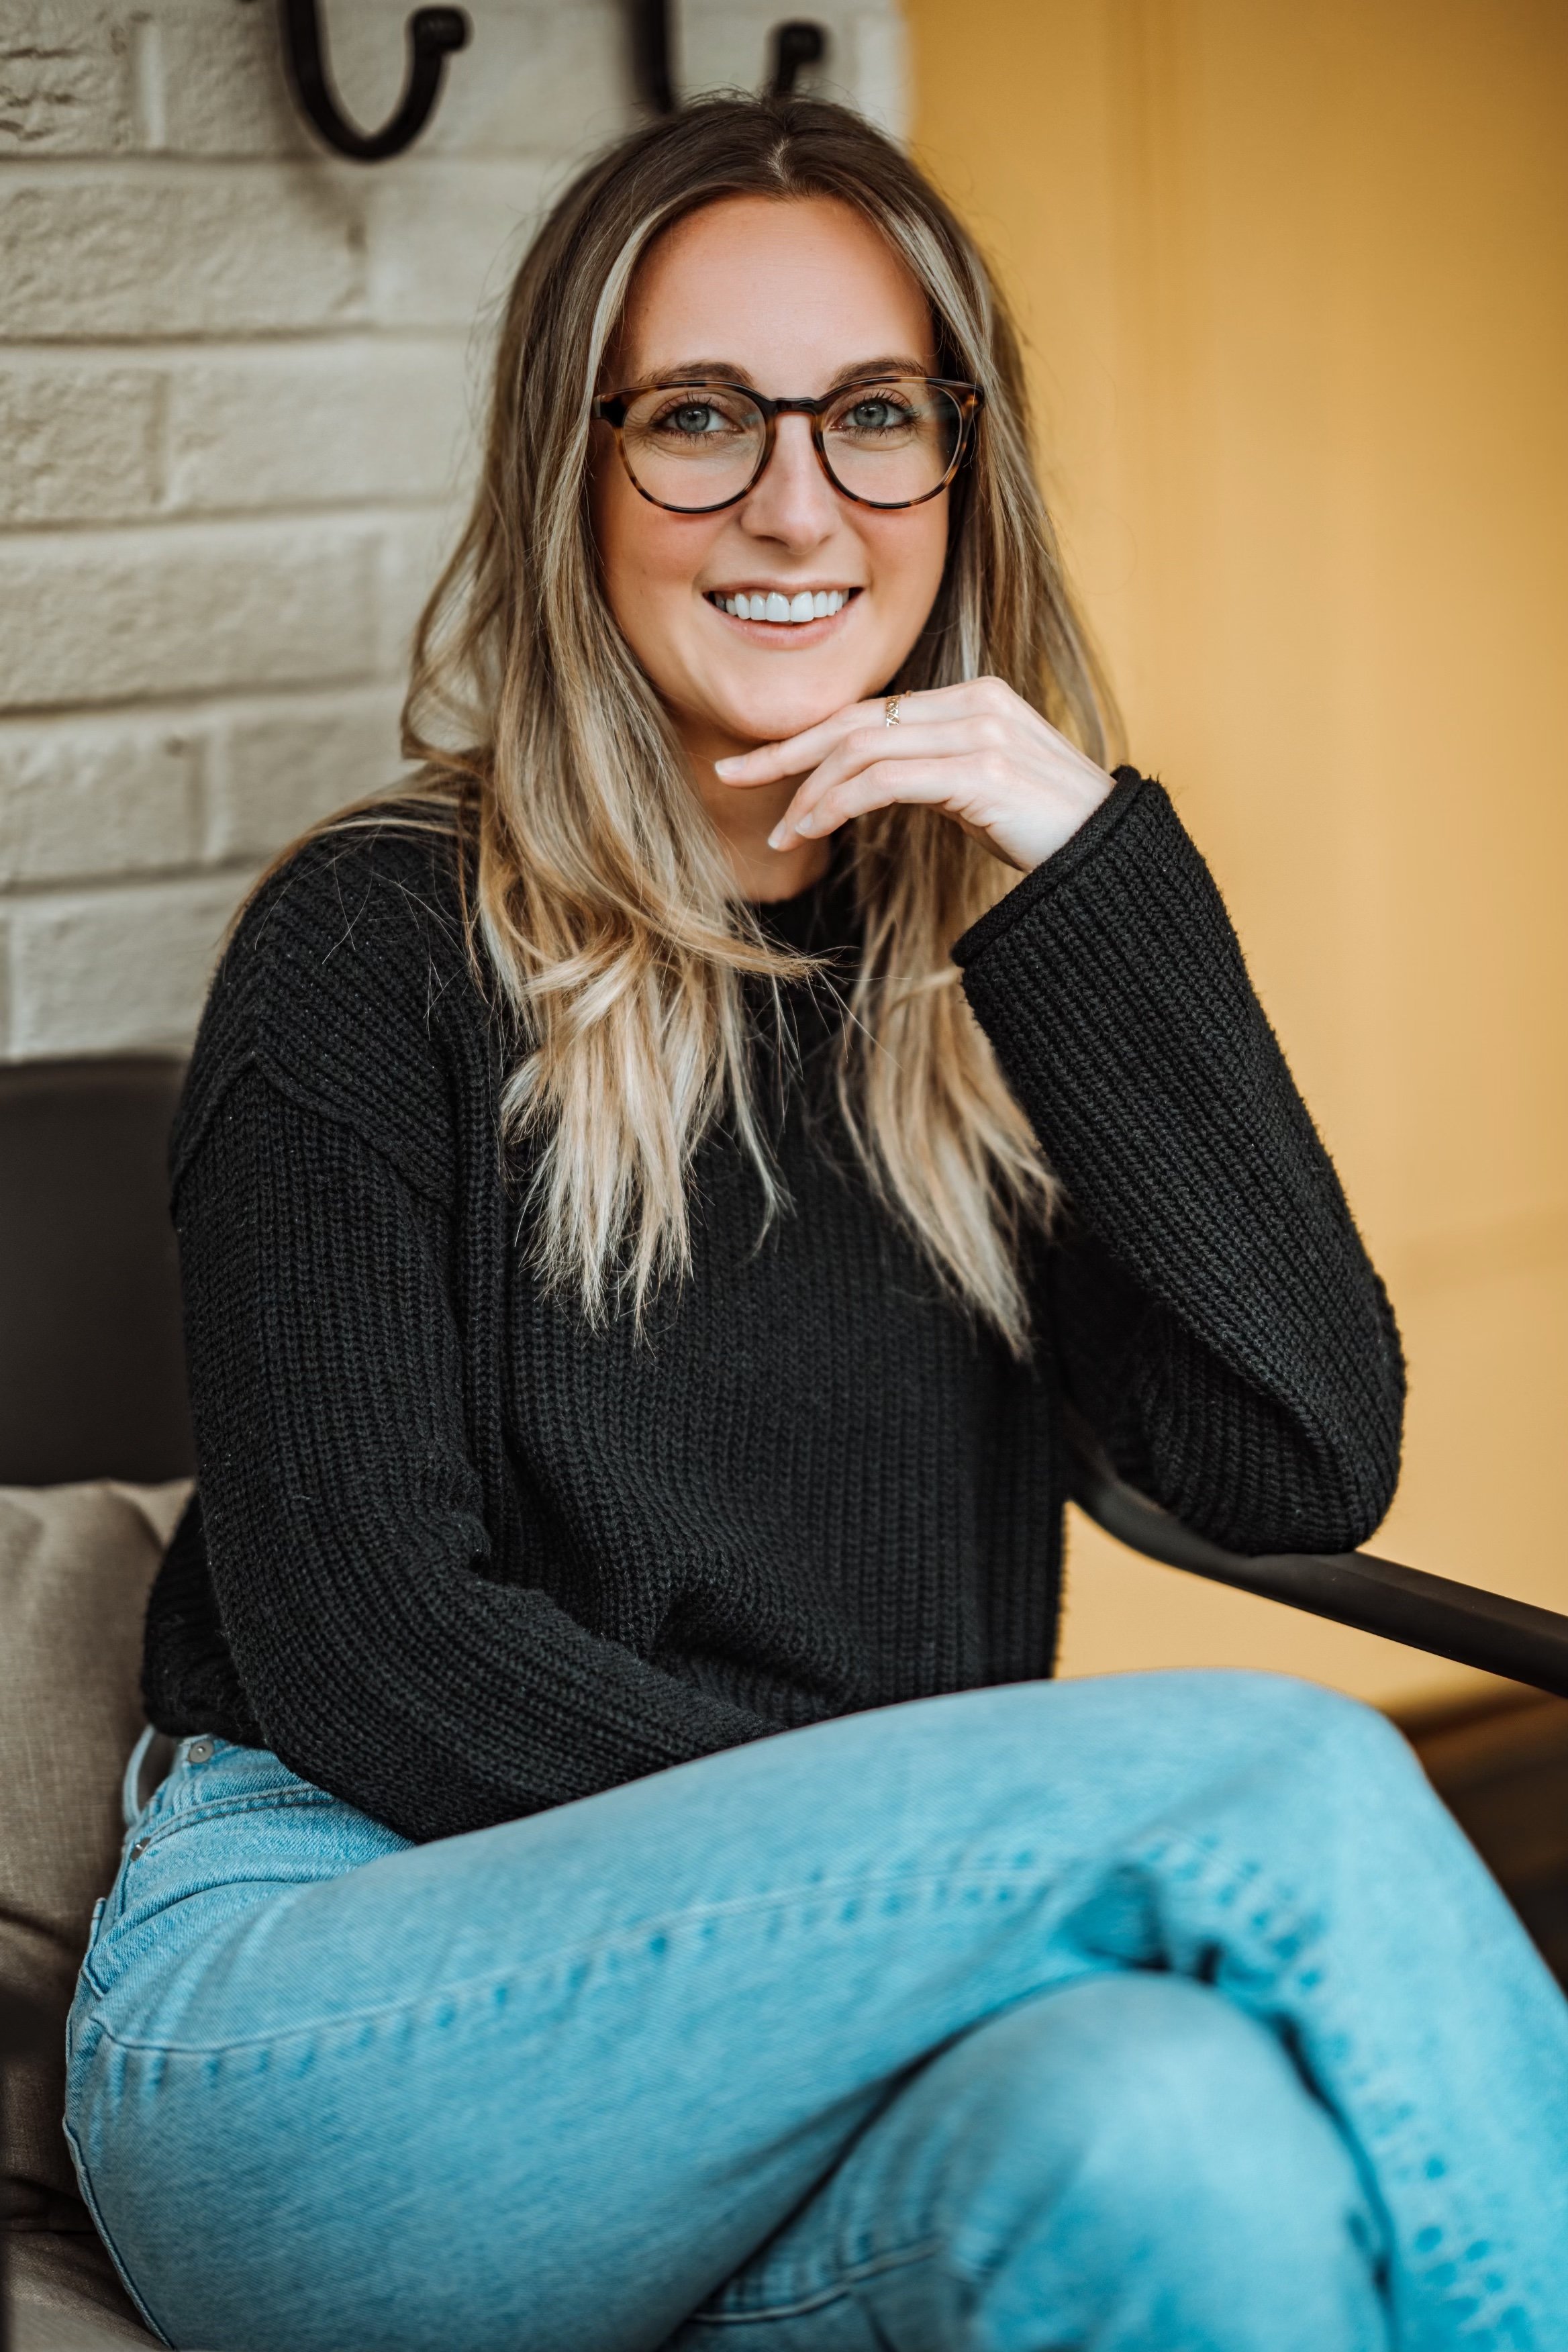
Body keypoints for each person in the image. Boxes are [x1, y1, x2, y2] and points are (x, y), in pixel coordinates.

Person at [64, 96, 1567, 2352]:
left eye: (877, 417)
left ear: (964, 476)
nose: (796, 502)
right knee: (1285, 1780)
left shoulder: (987, 994)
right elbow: (380, 1647)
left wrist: (1096, 894)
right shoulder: (370, 954)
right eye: (698, 420)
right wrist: (944, 1849)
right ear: (570, 479)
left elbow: (1299, 1457)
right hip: (336, 2026)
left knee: (1184, 2143)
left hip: (813, 2056)